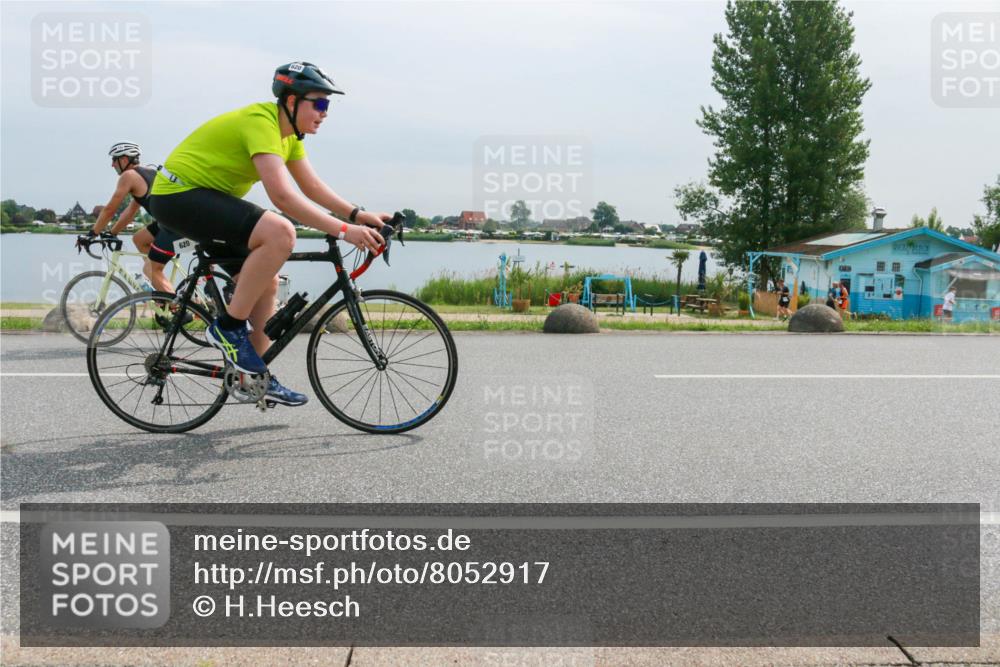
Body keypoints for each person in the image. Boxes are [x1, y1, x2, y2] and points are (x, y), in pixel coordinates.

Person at [148, 61, 386, 407]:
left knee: (266, 282)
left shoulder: (289, 138)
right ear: (291, 101)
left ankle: (254, 377)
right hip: (177, 196)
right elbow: (283, 197)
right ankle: (228, 328)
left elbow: (311, 187)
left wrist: (358, 215)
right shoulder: (262, 122)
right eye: (319, 103)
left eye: (328, 105)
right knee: (280, 232)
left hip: (203, 199)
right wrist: (345, 231)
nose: (324, 113)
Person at [80, 142, 183, 293]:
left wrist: (92, 234)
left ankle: (174, 303)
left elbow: (109, 210)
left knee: (150, 270)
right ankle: (160, 284)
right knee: (139, 239)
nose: (112, 165)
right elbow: (130, 212)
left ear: (124, 159)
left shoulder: (128, 176)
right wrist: (112, 232)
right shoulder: (150, 172)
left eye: (114, 160)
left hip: (174, 226)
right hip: (172, 222)